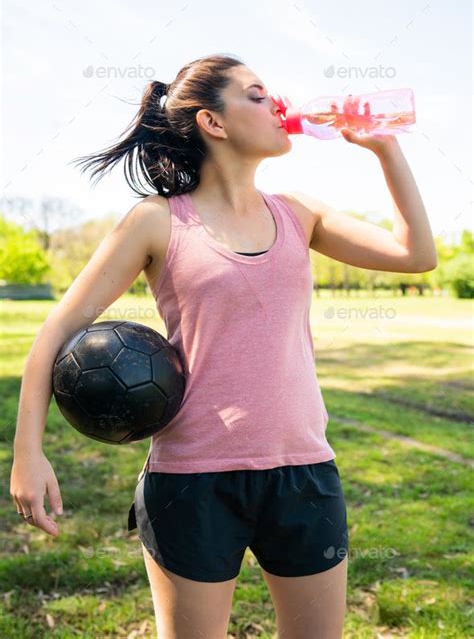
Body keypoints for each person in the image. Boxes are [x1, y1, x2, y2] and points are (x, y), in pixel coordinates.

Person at [10, 52, 438, 639]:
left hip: (305, 473)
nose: (279, 105)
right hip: (192, 479)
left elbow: (415, 255)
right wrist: (27, 454)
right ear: (213, 122)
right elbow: (56, 330)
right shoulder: (156, 221)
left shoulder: (299, 214)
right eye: (258, 95)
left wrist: (384, 148)